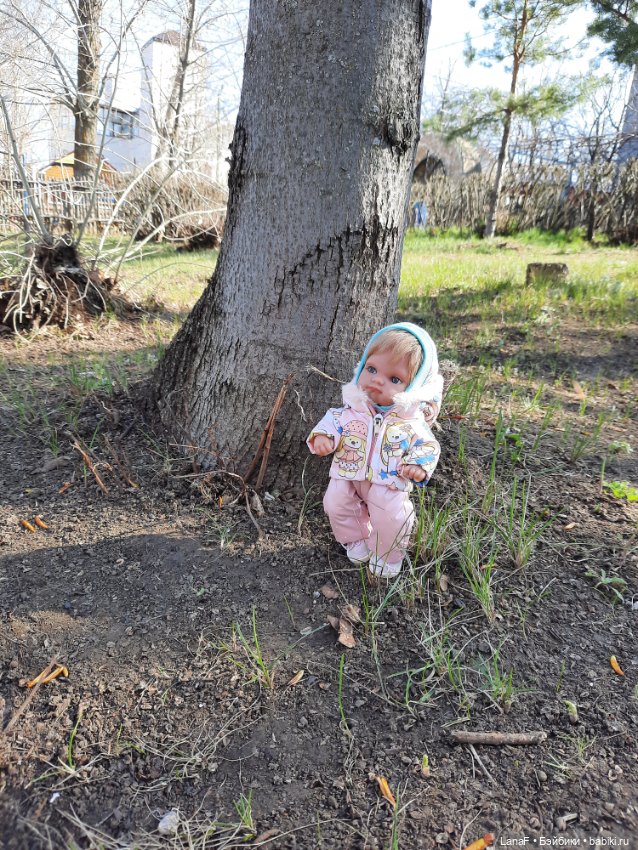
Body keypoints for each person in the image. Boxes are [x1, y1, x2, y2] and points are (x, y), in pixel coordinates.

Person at [307, 322, 442, 580]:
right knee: (336, 503)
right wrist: (324, 437)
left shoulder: (411, 423)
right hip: (348, 474)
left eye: (394, 379)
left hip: (389, 482)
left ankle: (389, 554)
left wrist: (418, 465)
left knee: (391, 516)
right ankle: (355, 540)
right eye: (371, 369)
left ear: (414, 389)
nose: (378, 380)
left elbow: (427, 445)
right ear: (360, 370)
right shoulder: (351, 411)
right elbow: (333, 422)